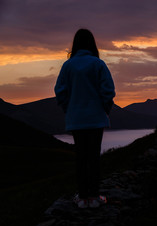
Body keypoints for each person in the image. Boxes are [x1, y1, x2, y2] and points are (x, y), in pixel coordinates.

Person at [54, 29, 116, 209]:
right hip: (96, 118)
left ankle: (82, 198)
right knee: (94, 157)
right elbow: (108, 91)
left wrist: (69, 109)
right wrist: (105, 109)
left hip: (76, 119)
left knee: (80, 157)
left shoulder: (68, 65)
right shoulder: (98, 64)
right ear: (92, 44)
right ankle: (95, 197)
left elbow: (60, 91)